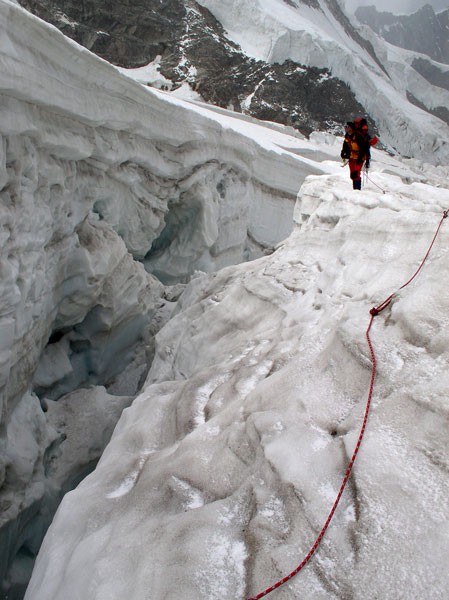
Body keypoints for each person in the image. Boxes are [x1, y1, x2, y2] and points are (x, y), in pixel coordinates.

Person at [341, 118, 378, 190]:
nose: (345, 128)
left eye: (347, 127)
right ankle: (356, 189)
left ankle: (357, 190)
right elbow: (346, 145)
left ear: (351, 128)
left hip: (359, 158)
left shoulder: (358, 136)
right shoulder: (349, 136)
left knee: (356, 174)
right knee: (353, 175)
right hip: (353, 157)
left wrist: (360, 158)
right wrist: (344, 153)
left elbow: (363, 149)